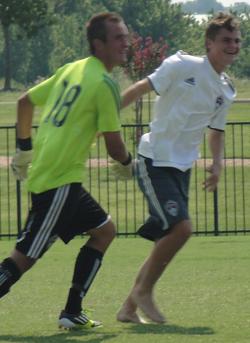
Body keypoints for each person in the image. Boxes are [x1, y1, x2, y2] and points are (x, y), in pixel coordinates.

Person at [0, 12, 133, 330]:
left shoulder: (71, 69)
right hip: (59, 181)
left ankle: (72, 311)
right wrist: (129, 165)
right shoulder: (104, 83)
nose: (125, 43)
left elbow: (24, 102)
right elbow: (114, 147)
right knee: (25, 257)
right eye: (118, 37)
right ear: (98, 44)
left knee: (104, 231)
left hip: (59, 179)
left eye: (126, 36)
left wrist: (24, 148)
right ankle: (70, 311)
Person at [114, 12, 242, 324]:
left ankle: (128, 308)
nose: (234, 45)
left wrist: (216, 164)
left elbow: (217, 131)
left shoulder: (226, 89)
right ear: (209, 42)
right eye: (226, 40)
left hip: (182, 166)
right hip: (154, 158)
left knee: (168, 236)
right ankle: (144, 291)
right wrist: (105, 116)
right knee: (181, 229)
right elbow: (141, 88)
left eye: (237, 40)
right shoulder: (181, 65)